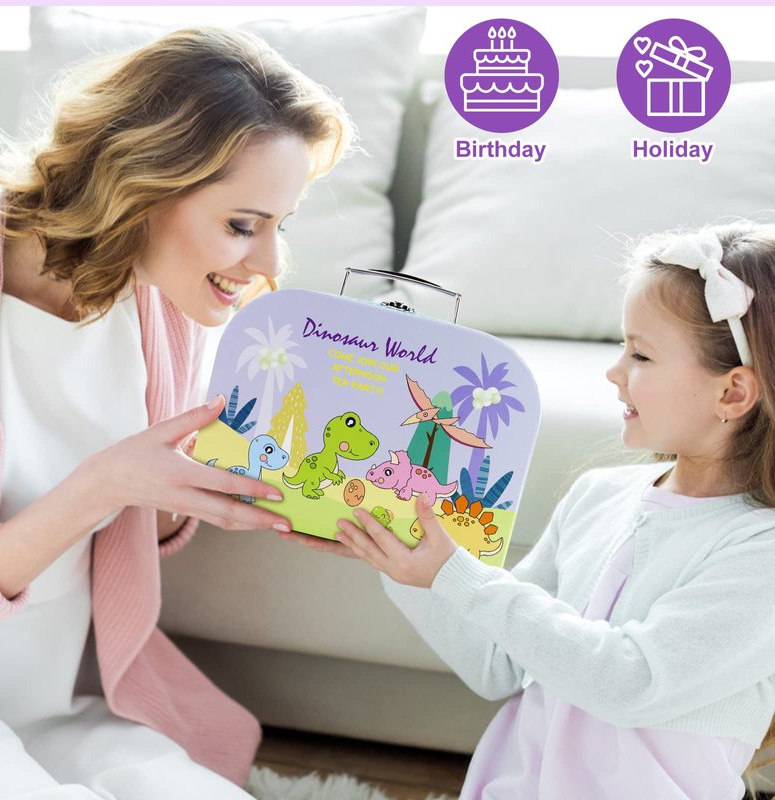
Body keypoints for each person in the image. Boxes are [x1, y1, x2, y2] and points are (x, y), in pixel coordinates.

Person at [0, 26, 351, 799]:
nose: (269, 266)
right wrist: (103, 485)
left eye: (280, 226)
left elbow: (141, 523)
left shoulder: (165, 305)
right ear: (138, 186)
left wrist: (238, 489)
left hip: (54, 702)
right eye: (242, 226)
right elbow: (107, 486)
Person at [282, 222, 775, 799]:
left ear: (732, 393)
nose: (614, 371)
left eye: (640, 354)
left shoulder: (759, 551)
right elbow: (497, 663)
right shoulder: (599, 495)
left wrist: (456, 574)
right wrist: (403, 552)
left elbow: (630, 681)